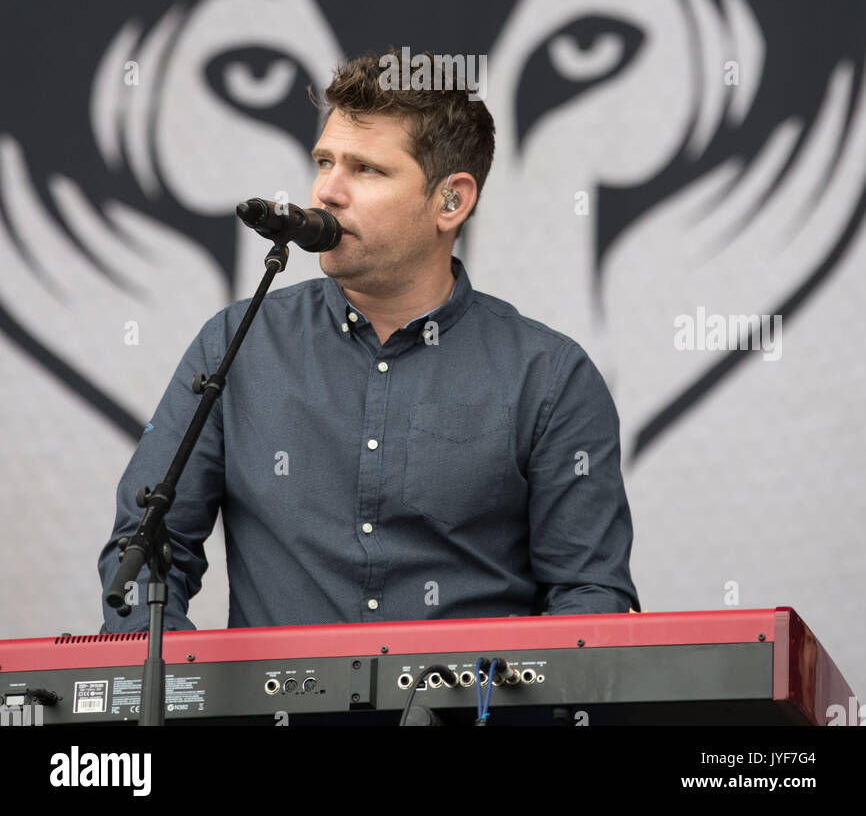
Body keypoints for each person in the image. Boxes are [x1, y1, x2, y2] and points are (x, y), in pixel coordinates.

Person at [98, 48, 639, 631]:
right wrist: (183, 700)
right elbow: (146, 553)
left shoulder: (550, 375)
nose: (327, 192)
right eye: (324, 161)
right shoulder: (237, 341)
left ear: (451, 200)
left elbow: (589, 594)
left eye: (366, 170)